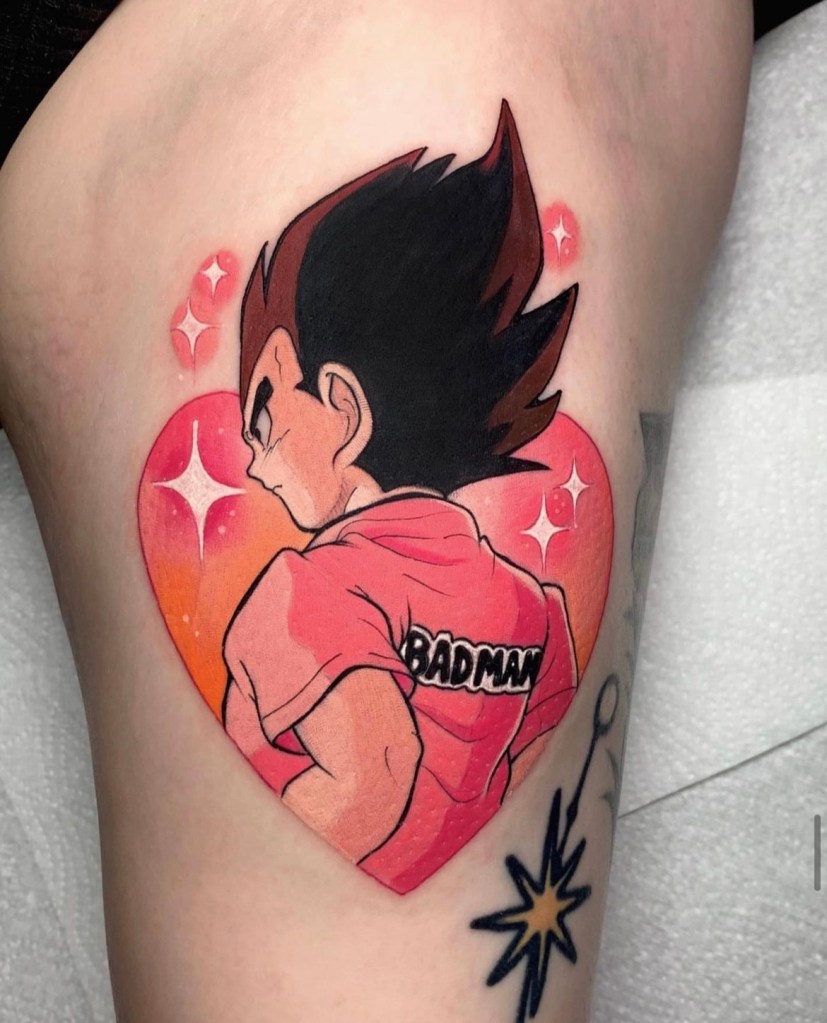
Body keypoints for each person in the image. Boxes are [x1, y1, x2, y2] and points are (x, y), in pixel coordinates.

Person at [0, 1, 753, 1020]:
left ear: (344, 409)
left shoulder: (301, 594)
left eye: (265, 411)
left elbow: (374, 779)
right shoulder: (528, 599)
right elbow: (521, 721)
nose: (251, 456)